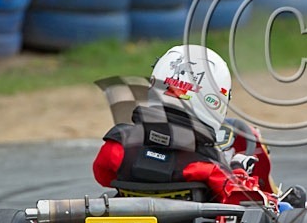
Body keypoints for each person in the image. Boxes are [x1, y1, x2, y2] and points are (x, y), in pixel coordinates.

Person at [92, 44, 263, 205]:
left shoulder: (119, 144)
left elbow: (103, 177)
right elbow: (239, 195)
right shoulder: (207, 164)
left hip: (128, 219)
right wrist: (237, 168)